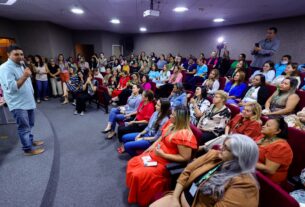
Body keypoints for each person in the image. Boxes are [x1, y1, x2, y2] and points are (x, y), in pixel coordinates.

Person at [150, 134, 259, 207]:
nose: (220, 148)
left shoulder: (245, 184)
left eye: (226, 148)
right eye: (223, 145)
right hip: (178, 197)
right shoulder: (214, 155)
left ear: (238, 156)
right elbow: (187, 171)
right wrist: (174, 198)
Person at [126, 105, 197, 206]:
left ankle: (141, 197)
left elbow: (185, 158)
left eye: (173, 115)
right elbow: (161, 138)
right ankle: (136, 191)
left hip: (165, 162)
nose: (170, 115)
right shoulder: (172, 125)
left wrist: (163, 154)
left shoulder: (184, 135)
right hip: (156, 154)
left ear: (179, 118)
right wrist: (151, 147)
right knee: (133, 162)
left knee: (138, 174)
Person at [0, 45, 44, 155]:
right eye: (16, 54)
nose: (20, 57)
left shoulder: (20, 64)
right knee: (24, 127)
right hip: (18, 103)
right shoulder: (5, 68)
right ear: (8, 55)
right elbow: (12, 88)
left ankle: (30, 141)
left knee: (30, 124)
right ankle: (27, 149)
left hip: (28, 101)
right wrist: (24, 76)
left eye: (21, 54)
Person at [256, 118, 293, 184]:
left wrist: (245, 162)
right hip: (254, 169)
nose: (263, 126)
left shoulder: (280, 147)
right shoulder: (264, 137)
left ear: (277, 131)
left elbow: (269, 170)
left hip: (266, 179)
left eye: (267, 125)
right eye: (264, 124)